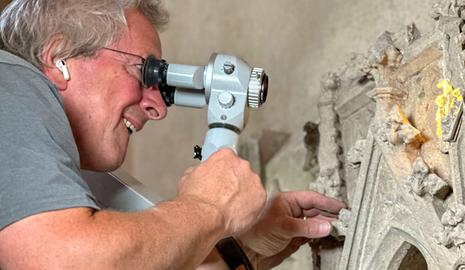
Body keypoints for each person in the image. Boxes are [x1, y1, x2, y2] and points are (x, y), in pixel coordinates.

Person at [0, 1, 345, 269]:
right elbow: (62, 262)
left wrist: (246, 245)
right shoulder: (10, 86)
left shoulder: (73, 177)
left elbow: (133, 260)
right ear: (59, 58)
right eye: (145, 71)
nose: (158, 107)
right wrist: (208, 207)